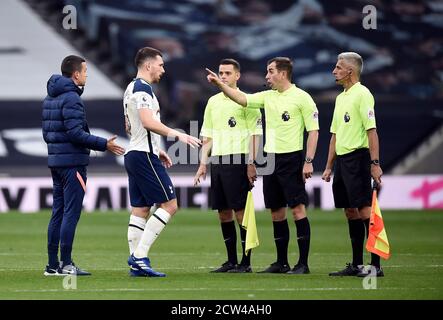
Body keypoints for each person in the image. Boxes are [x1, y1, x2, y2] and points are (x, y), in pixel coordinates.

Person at [206, 57, 319, 274]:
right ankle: (281, 262)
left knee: (297, 209)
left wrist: (308, 161)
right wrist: (220, 84)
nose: (266, 76)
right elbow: (241, 98)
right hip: (271, 159)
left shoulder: (302, 98)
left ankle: (303, 263)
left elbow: (313, 131)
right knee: (276, 211)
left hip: (292, 158)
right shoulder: (267, 97)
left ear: (283, 73)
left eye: (270, 71)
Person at [42, 55, 125, 276]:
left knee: (58, 212)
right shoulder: (71, 98)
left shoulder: (50, 98)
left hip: (56, 162)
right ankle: (66, 264)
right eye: (85, 71)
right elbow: (76, 133)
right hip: (72, 164)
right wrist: (103, 144)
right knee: (71, 213)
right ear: (76, 74)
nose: (87, 74)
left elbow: (46, 133)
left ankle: (52, 265)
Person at [124, 47, 201, 277]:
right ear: (148, 66)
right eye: (160, 64)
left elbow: (129, 126)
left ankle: (135, 263)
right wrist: (179, 135)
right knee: (170, 205)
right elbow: (147, 122)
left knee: (140, 209)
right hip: (143, 155)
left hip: (136, 153)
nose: (163, 70)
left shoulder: (130, 88)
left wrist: (157, 149)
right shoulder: (143, 90)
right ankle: (139, 257)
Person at [194, 59, 262, 273]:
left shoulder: (247, 101)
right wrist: (202, 163)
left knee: (241, 212)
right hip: (219, 161)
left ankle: (246, 262)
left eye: (227, 73)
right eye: (221, 73)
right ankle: (231, 261)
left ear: (237, 76)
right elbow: (208, 136)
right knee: (223, 212)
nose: (223, 76)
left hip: (238, 159)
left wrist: (251, 162)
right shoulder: (213, 102)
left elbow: (255, 134)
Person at [322, 52, 384, 277]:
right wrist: (329, 166)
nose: (334, 71)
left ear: (350, 71)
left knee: (365, 209)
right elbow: (335, 135)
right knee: (350, 211)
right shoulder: (341, 97)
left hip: (358, 158)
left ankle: (375, 266)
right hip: (342, 161)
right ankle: (357, 264)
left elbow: (372, 131)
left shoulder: (363, 94)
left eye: (338, 67)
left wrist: (374, 163)